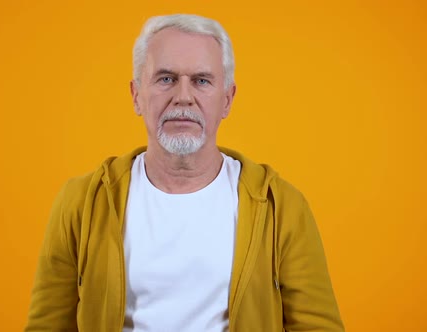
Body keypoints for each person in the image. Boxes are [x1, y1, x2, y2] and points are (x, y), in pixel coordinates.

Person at [25, 14, 344, 332]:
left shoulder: (282, 207)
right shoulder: (81, 203)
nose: (183, 96)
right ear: (136, 95)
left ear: (227, 100)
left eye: (202, 81)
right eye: (165, 78)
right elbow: (46, 325)